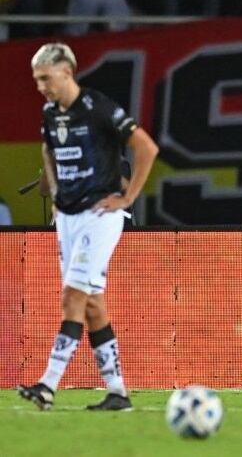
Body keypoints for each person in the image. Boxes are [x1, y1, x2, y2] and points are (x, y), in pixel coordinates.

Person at [16, 43, 159, 411]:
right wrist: (56, 188)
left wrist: (127, 200)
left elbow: (146, 148)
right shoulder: (51, 114)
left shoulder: (99, 108)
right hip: (68, 217)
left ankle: (47, 385)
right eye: (36, 80)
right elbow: (49, 150)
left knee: (72, 297)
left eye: (45, 78)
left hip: (100, 215)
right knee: (93, 304)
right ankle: (118, 392)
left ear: (67, 71)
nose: (41, 87)